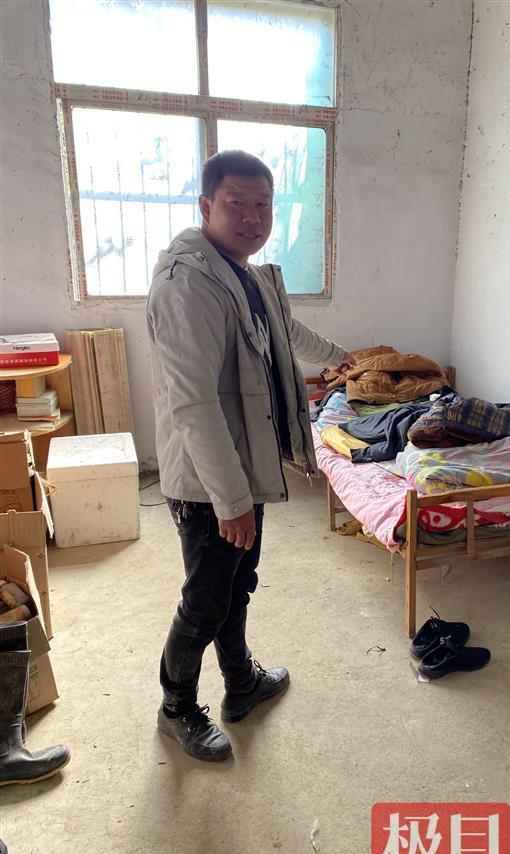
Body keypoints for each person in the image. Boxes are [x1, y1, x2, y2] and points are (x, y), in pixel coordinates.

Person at [147, 150, 352, 761]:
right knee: (206, 599)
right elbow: (193, 405)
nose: (252, 218)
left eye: (263, 205)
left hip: (245, 465)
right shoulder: (189, 283)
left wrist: (342, 357)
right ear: (205, 205)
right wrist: (231, 501)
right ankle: (176, 708)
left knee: (237, 585)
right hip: (209, 482)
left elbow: (289, 331)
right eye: (236, 204)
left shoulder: (246, 274)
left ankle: (241, 683)